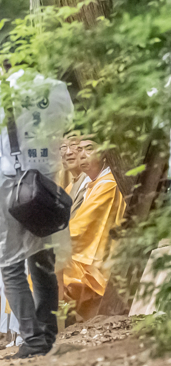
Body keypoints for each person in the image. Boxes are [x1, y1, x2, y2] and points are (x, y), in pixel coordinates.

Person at [0, 65, 73, 359]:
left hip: (8, 185)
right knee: (42, 259)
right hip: (44, 183)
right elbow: (65, 123)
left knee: (10, 262)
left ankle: (32, 338)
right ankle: (48, 333)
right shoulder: (55, 87)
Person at [61, 137, 126, 321]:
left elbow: (80, 228)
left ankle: (55, 327)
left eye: (88, 148)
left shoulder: (108, 184)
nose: (81, 154)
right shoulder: (91, 183)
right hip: (87, 255)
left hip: (101, 262)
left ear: (105, 153)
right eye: (79, 149)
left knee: (49, 271)